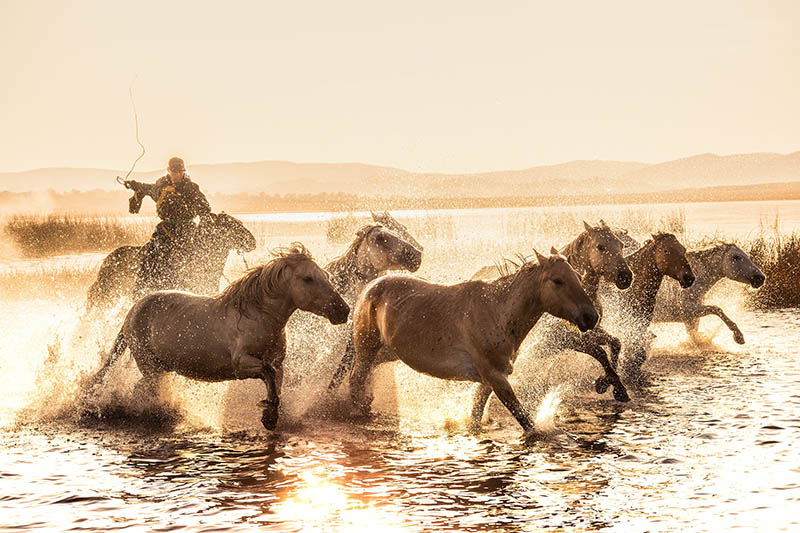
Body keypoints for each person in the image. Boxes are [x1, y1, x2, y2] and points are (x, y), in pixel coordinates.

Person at [124, 156, 212, 295]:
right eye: (174, 171)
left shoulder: (191, 188)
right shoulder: (161, 185)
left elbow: (203, 207)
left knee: (198, 255)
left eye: (180, 171)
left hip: (186, 229)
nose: (177, 174)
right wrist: (135, 185)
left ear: (184, 171)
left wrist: (205, 217)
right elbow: (148, 188)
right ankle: (143, 285)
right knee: (152, 252)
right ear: (168, 170)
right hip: (165, 229)